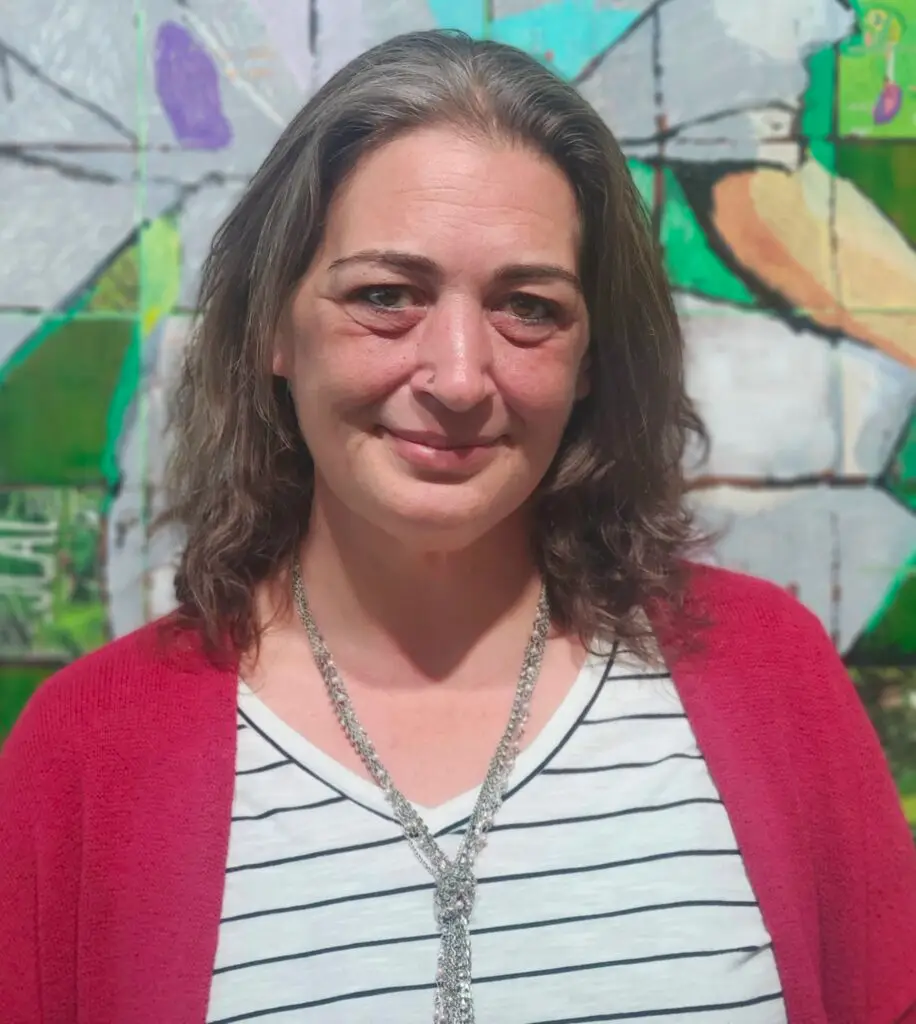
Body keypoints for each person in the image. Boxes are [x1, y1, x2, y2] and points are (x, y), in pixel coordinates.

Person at [1, 28, 914, 1024]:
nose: (459, 377)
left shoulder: (769, 675)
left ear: (591, 360)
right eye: (385, 297)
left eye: (528, 307)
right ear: (273, 324)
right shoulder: (86, 755)